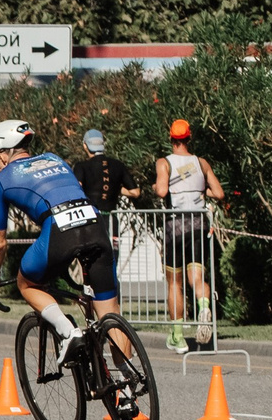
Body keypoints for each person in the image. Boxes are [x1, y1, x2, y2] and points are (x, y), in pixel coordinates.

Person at [0, 119, 133, 376]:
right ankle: (128, 385)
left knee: (27, 284)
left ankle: (67, 331)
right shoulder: (54, 159)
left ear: (3, 153)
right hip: (95, 225)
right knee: (109, 313)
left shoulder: (1, 181)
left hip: (60, 229)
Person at [152, 119, 222, 352]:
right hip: (199, 225)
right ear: (189, 138)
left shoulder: (165, 163)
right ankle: (203, 306)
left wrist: (155, 187)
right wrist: (201, 191)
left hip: (176, 228)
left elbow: (162, 190)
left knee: (175, 283)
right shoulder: (201, 163)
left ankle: (178, 337)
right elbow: (219, 193)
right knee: (196, 278)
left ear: (171, 139)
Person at [69, 127, 135, 214]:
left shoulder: (81, 166)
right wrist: (114, 188)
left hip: (91, 218)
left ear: (85, 145)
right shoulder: (118, 165)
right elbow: (135, 192)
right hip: (111, 219)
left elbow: (77, 188)